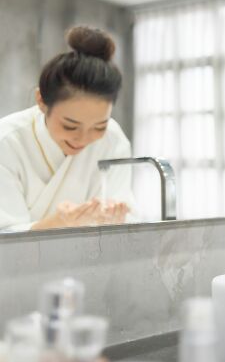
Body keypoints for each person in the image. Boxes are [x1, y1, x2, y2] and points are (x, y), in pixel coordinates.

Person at [0, 26, 134, 231]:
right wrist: (56, 225)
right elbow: (5, 235)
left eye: (99, 126)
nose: (83, 138)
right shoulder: (7, 141)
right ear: (41, 101)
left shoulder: (113, 139)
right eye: (70, 126)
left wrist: (115, 218)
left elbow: (124, 212)